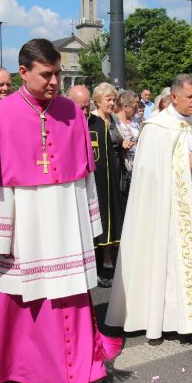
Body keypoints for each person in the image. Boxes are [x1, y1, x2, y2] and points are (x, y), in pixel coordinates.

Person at [0, 38, 132, 383]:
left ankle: (86, 373)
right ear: (24, 72)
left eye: (57, 73)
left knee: (72, 299)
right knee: (22, 301)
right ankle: (22, 368)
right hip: (24, 223)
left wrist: (89, 226)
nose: (54, 81)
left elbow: (84, 176)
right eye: (46, 74)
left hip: (65, 222)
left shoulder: (71, 111)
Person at [106, 74, 192, 350]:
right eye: (191, 96)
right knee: (174, 267)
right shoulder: (156, 126)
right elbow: (146, 172)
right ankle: (188, 325)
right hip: (169, 209)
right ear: (174, 97)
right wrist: (183, 163)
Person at [68, 84, 125, 289]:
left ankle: (104, 268)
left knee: (104, 225)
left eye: (86, 107)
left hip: (102, 183)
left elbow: (107, 156)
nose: (84, 112)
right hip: (76, 186)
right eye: (80, 108)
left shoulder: (99, 124)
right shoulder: (64, 124)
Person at [114, 90, 140, 200]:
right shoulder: (115, 122)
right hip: (124, 170)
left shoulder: (136, 121)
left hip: (137, 168)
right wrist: (122, 146)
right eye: (134, 107)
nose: (137, 110)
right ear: (125, 106)